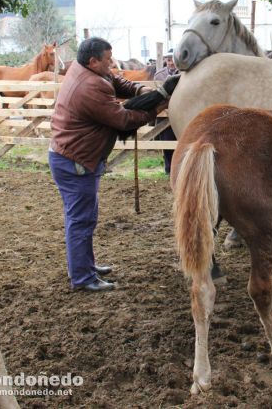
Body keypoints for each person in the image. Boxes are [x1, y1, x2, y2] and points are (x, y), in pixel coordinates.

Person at [49, 37, 160, 292]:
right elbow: (122, 119)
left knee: (81, 218)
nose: (111, 64)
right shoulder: (89, 86)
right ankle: (83, 277)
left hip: (72, 156)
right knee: (82, 220)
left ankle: (83, 266)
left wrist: (137, 90)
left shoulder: (85, 70)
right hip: (76, 160)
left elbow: (113, 79)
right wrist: (154, 109)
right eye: (107, 60)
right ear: (93, 61)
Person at [153, 49, 179, 175]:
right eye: (168, 60)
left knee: (179, 141)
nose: (171, 63)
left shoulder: (185, 73)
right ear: (165, 61)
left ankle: (178, 170)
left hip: (180, 113)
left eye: (173, 59)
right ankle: (169, 169)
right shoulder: (159, 75)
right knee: (166, 140)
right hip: (164, 113)